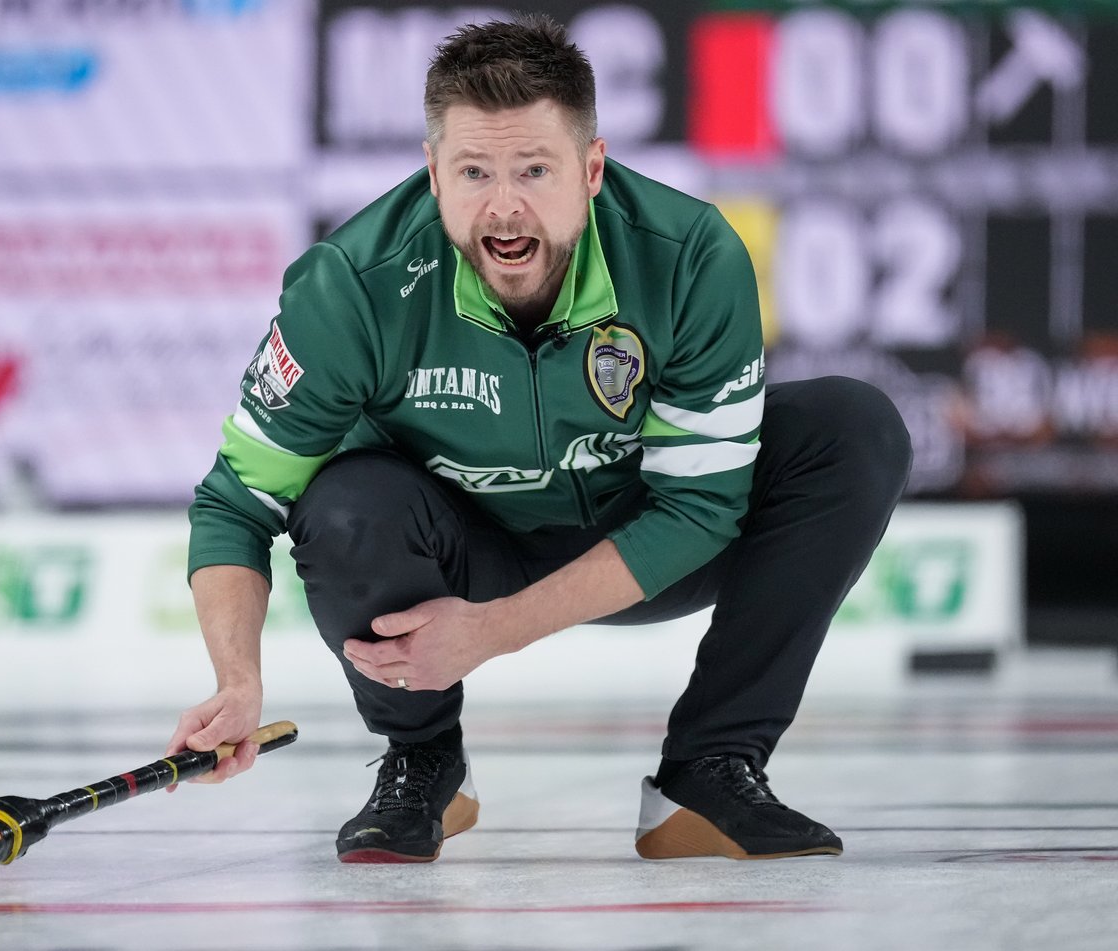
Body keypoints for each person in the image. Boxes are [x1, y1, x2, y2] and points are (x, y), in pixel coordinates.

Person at [165, 14, 912, 864]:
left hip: (648, 542)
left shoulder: (694, 254)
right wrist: (237, 680)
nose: (504, 204)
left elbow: (701, 506)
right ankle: (423, 763)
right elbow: (236, 500)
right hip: (462, 550)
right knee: (342, 504)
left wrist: (496, 629)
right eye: (474, 171)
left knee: (855, 429)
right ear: (433, 173)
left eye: (534, 170)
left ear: (591, 170)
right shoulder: (350, 287)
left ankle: (711, 767)